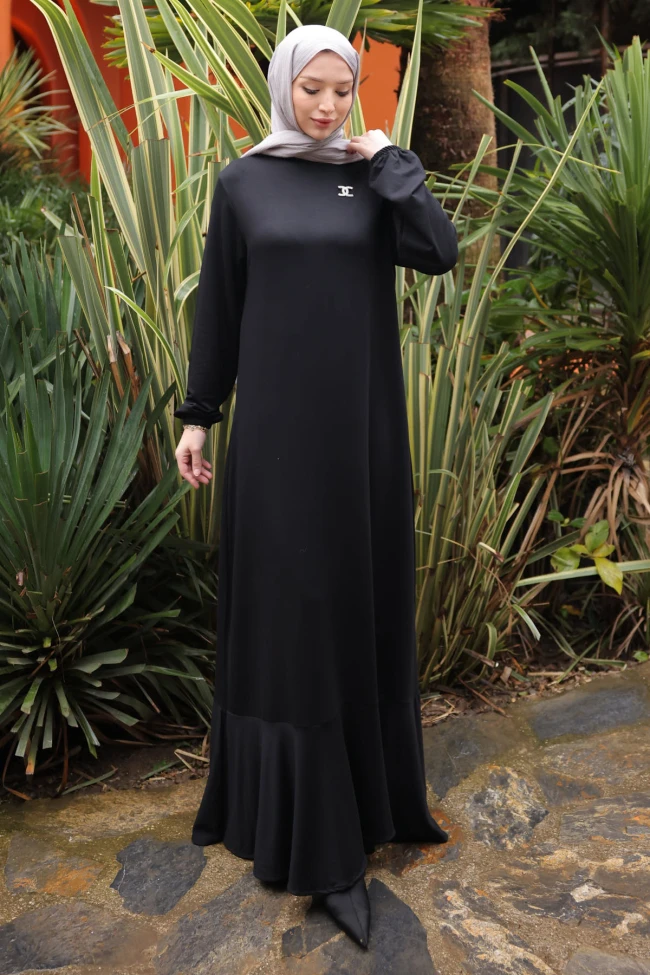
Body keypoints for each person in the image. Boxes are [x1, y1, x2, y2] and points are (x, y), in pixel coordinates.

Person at [174, 23, 458, 951]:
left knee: (356, 610)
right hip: (277, 451)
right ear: (284, 88)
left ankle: (381, 804)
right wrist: (198, 414)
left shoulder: (374, 178)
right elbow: (220, 306)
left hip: (364, 443)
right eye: (313, 89)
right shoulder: (244, 183)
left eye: (344, 89)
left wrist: (392, 163)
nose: (329, 105)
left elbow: (440, 251)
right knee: (296, 625)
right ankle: (324, 853)